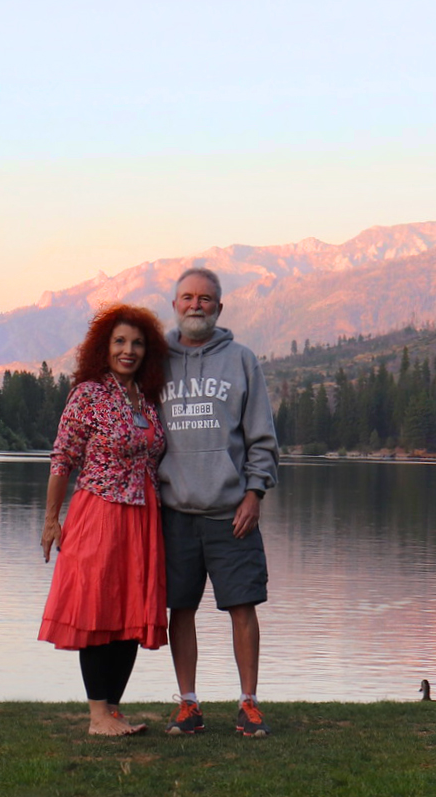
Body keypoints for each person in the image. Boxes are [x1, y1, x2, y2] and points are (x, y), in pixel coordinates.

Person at [158, 267, 279, 738]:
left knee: (243, 607)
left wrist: (255, 493)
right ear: (175, 305)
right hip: (175, 513)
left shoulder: (242, 360)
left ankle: (248, 703)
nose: (195, 305)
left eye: (205, 299)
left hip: (232, 513)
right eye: (187, 297)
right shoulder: (158, 363)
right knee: (179, 610)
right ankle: (188, 704)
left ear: (219, 308)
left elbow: (262, 439)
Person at [39, 303, 169, 736]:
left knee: (129, 613)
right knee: (97, 611)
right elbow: (63, 458)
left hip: (143, 517)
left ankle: (113, 710)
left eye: (136, 343)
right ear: (104, 347)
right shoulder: (89, 394)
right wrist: (51, 519)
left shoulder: (148, 399)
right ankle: (97, 715)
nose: (128, 350)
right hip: (99, 510)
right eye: (119, 342)